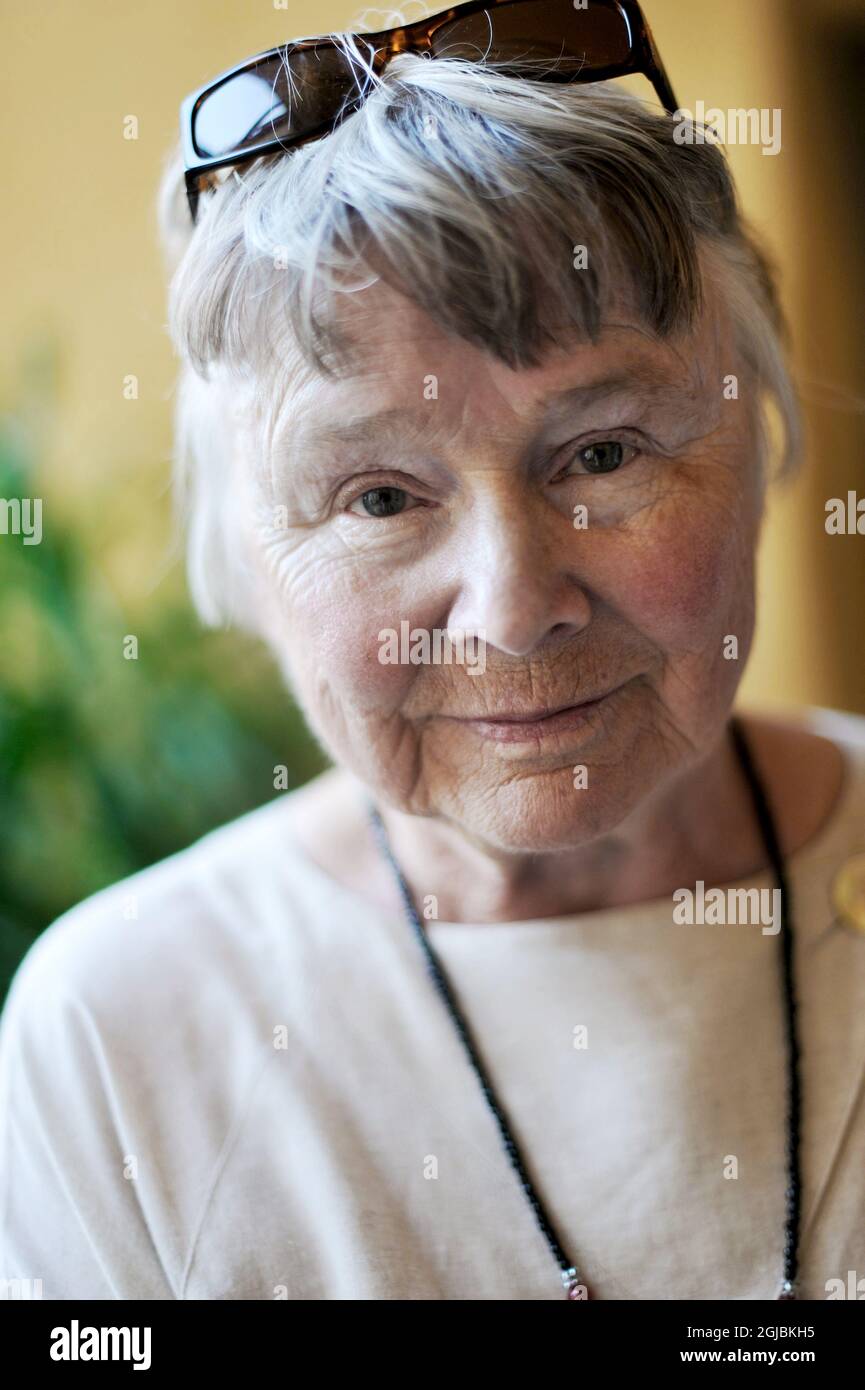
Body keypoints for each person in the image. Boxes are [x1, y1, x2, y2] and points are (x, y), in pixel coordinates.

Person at [1, 10, 864, 1301]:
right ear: (240, 553)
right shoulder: (120, 1031)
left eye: (604, 452)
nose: (513, 612)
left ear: (762, 439)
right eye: (378, 498)